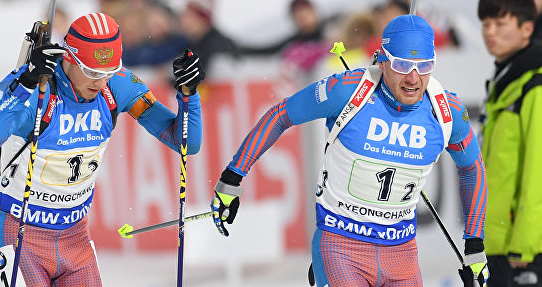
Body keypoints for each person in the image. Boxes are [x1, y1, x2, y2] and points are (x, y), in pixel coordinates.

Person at [209, 14, 489, 286]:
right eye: (402, 65)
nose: (413, 78)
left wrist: (475, 245)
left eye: (424, 65)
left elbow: (472, 167)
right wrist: (231, 179)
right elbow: (281, 115)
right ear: (383, 60)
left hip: (401, 254)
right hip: (341, 246)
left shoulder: (446, 110)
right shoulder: (350, 90)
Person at [0, 12, 205, 286]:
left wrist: (189, 95)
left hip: (75, 236)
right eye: (92, 72)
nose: (100, 82)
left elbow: (186, 143)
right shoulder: (38, 85)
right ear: (69, 57)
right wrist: (24, 86)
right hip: (21, 234)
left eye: (108, 72)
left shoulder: (117, 85)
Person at [478, 0, 542, 286]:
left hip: (525, 247)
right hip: (496, 240)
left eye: (500, 24)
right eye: (485, 23)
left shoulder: (535, 86)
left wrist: (526, 241)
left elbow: (537, 171)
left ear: (527, 28)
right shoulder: (504, 81)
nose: (490, 32)